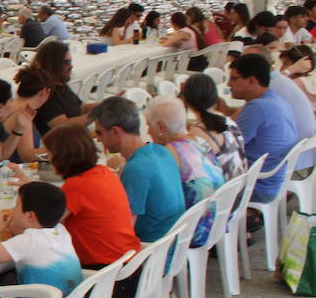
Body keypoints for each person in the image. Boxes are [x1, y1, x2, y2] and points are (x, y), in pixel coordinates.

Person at [43, 124, 140, 298]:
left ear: (63, 156)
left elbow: (43, 225)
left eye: (49, 153)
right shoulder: (104, 173)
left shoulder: (77, 186)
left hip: (106, 280)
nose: (48, 159)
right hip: (128, 270)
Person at [92, 97, 184, 243]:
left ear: (116, 132)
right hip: (172, 246)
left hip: (151, 254)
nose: (97, 139)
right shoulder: (161, 151)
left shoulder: (136, 169)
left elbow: (124, 230)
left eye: (99, 133)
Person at [144, 96, 223, 246]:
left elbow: (157, 196)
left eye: (149, 126)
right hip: (217, 220)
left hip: (193, 231)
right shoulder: (201, 142)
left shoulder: (170, 153)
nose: (148, 131)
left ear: (161, 127)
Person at [226, 53, 298, 201]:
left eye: (234, 78)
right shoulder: (276, 100)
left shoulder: (258, 108)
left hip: (257, 186)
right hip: (274, 180)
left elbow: (225, 146)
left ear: (252, 80)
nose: (228, 84)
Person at [180, 73, 247, 180]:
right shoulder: (229, 121)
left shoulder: (197, 136)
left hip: (222, 193)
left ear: (186, 100)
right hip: (238, 187)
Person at [20, 40, 89, 133]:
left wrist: (105, 105)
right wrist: (96, 114)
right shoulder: (44, 91)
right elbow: (61, 125)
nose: (71, 66)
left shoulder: (60, 84)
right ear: (54, 65)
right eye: (67, 63)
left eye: (70, 62)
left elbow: (82, 107)